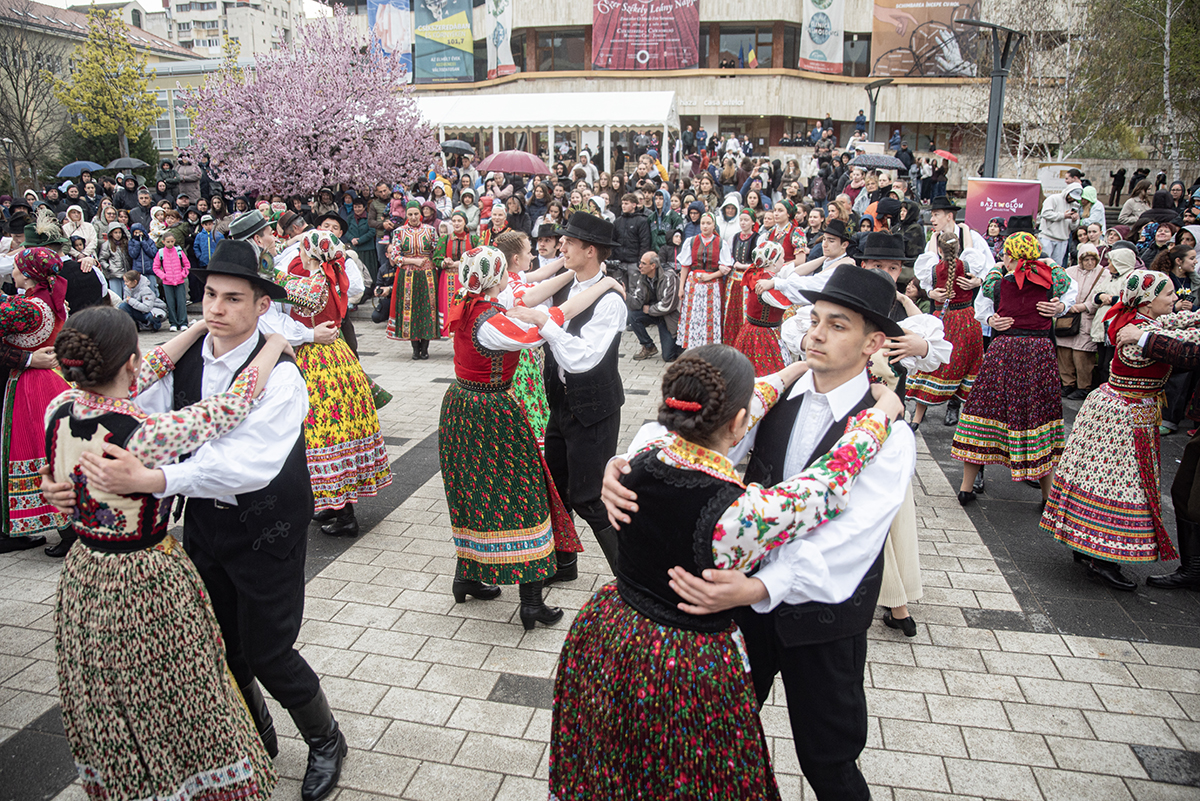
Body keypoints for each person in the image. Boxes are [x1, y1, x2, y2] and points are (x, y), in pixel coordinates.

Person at [45, 240, 349, 801]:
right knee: (222, 646)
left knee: (270, 650)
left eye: (233, 298)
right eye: (209, 294)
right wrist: (70, 482)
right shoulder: (180, 359)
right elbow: (129, 419)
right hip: (202, 525)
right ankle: (254, 739)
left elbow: (247, 464)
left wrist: (155, 480)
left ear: (262, 307)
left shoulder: (280, 377)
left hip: (267, 526)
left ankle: (327, 740)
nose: (216, 307)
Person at [603, 266, 917, 801]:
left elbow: (853, 537)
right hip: (736, 610)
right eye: (814, 320)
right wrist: (626, 461)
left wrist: (763, 586)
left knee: (829, 759)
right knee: (719, 735)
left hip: (822, 614)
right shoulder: (777, 399)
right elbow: (698, 437)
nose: (815, 333)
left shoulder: (890, 434)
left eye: (837, 326)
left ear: (874, 343)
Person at [45, 308, 286, 801]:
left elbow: (151, 367)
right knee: (178, 684)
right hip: (146, 575)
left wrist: (196, 328)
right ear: (130, 364)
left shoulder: (59, 408)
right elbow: (235, 402)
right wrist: (276, 345)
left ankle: (130, 780)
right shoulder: (147, 433)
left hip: (85, 573)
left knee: (108, 688)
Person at [439, 245, 618, 623]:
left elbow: (530, 290)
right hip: (491, 411)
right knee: (526, 493)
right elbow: (550, 319)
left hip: (460, 407)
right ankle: (532, 602)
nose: (511, 278)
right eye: (505, 272)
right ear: (495, 278)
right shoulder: (491, 322)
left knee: (475, 489)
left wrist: (574, 274)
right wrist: (602, 288)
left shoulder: (469, 298)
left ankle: (466, 576)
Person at [1042, 271, 1180, 591]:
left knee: (1092, 475)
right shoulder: (1139, 334)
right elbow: (1180, 345)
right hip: (1125, 417)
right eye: (1169, 294)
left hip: (1111, 409)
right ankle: (1102, 558)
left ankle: (1084, 546)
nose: (1174, 299)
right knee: (1118, 485)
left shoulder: (1131, 319)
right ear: (1147, 301)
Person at [512, 212, 627, 578]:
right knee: (556, 491)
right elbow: (522, 297)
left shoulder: (611, 301)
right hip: (561, 403)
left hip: (594, 408)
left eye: (570, 242)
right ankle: (564, 564)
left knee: (591, 497)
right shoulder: (569, 284)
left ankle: (633, 580)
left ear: (590, 250)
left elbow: (583, 359)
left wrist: (545, 323)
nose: (561, 245)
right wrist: (567, 272)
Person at [284, 232, 392, 537]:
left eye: (302, 251)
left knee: (324, 431)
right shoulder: (333, 276)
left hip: (318, 359)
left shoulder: (315, 283)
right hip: (337, 353)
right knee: (337, 428)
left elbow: (281, 287)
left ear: (310, 255)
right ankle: (333, 505)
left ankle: (345, 515)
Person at [953, 231, 1072, 505]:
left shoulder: (997, 281)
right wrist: (1059, 304)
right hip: (1038, 354)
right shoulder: (1053, 279)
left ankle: (966, 487)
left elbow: (983, 298)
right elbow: (1066, 286)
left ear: (1008, 256)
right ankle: (1046, 495)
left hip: (1004, 351)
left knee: (984, 409)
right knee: (1037, 415)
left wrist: (993, 318)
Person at [0, 247, 71, 553]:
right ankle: (62, 524)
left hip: (31, 383)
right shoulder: (47, 299)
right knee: (50, 448)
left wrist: (25, 358)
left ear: (28, 276)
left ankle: (65, 528)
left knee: (34, 448)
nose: (11, 271)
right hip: (51, 378)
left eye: (15, 267)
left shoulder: (28, 308)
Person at [379, 201, 438, 360]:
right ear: (406, 215)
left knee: (427, 309)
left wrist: (435, 262)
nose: (413, 217)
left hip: (427, 276)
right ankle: (414, 348)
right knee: (410, 310)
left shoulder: (430, 231)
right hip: (408, 276)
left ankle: (425, 347)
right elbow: (395, 256)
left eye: (416, 214)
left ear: (421, 214)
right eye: (410, 214)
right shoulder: (399, 232)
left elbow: (436, 252)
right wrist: (413, 261)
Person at [733, 240, 792, 375]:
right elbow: (790, 296)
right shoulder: (765, 284)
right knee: (767, 372)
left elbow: (794, 271)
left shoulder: (761, 275)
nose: (784, 260)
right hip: (763, 335)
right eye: (782, 257)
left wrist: (824, 259)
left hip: (751, 330)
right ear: (773, 261)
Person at [676, 211, 732, 349]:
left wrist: (710, 276)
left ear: (714, 225)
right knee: (694, 316)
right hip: (693, 286)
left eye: (708, 223)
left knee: (709, 317)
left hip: (712, 287)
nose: (705, 226)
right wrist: (681, 288)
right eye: (703, 223)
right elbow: (685, 266)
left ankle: (709, 347)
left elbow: (726, 267)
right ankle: (693, 346)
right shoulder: (691, 241)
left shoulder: (721, 243)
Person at [1059, 243, 1105, 398]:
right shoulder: (1070, 271)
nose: (1089, 262)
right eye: (1086, 259)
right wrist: (1067, 305)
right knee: (1064, 353)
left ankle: (1083, 386)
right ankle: (1067, 384)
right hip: (1068, 316)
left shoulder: (1103, 274)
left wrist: (1085, 306)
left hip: (1087, 317)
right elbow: (1061, 289)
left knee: (1082, 355)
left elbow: (1102, 294)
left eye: (1093, 259)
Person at [628, 250, 680, 362]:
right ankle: (648, 346)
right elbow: (636, 303)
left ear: (653, 266)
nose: (640, 266)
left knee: (668, 357)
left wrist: (650, 310)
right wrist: (624, 294)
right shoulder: (643, 277)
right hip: (654, 314)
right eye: (640, 263)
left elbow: (668, 305)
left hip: (668, 317)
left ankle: (681, 341)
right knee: (632, 315)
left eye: (643, 263)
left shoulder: (669, 277)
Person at [612, 193, 652, 295]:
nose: (623, 206)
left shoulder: (641, 221)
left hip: (634, 262)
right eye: (622, 203)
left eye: (626, 203)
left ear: (634, 205)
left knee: (634, 289)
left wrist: (640, 262)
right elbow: (613, 241)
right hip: (619, 262)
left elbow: (644, 243)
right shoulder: (617, 221)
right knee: (619, 289)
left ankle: (633, 310)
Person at [154, 231, 192, 332]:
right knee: (170, 303)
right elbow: (156, 267)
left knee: (181, 302)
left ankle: (183, 322)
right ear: (163, 242)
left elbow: (187, 265)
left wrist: (183, 274)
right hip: (167, 282)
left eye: (172, 241)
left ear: (174, 241)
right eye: (168, 242)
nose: (170, 243)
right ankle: (173, 323)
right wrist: (163, 276)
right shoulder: (160, 253)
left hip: (179, 281)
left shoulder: (179, 251)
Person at [1038, 185, 1082, 266]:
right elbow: (1045, 213)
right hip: (1047, 237)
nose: (1072, 199)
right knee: (1043, 264)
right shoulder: (1053, 199)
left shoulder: (1075, 205)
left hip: (1063, 239)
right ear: (1067, 192)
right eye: (1070, 196)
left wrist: (1074, 220)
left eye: (1074, 198)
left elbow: (1073, 227)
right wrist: (1063, 216)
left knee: (1057, 266)